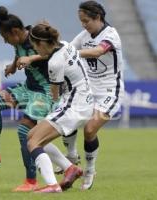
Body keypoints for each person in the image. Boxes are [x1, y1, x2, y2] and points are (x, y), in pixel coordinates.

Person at [0, 6, 65, 192]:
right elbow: (19, 51)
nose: (6, 42)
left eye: (6, 38)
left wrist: (31, 59)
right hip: (28, 88)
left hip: (45, 92)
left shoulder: (36, 38)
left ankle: (31, 181)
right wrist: (13, 66)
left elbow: (54, 52)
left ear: (14, 32)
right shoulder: (20, 39)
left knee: (24, 132)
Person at [60, 0, 125, 190]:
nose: (83, 25)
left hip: (109, 91)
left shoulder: (111, 35)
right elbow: (67, 51)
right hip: (87, 89)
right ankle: (71, 154)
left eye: (86, 21)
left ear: (98, 17)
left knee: (89, 130)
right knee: (67, 118)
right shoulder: (84, 35)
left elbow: (98, 51)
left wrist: (74, 54)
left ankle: (89, 170)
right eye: (81, 21)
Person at [27, 22, 94, 193]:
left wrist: (43, 106)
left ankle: (52, 185)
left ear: (41, 44)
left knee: (34, 142)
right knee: (31, 135)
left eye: (35, 47)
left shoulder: (54, 63)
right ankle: (71, 168)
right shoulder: (65, 45)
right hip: (82, 100)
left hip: (74, 105)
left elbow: (54, 95)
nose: (36, 51)